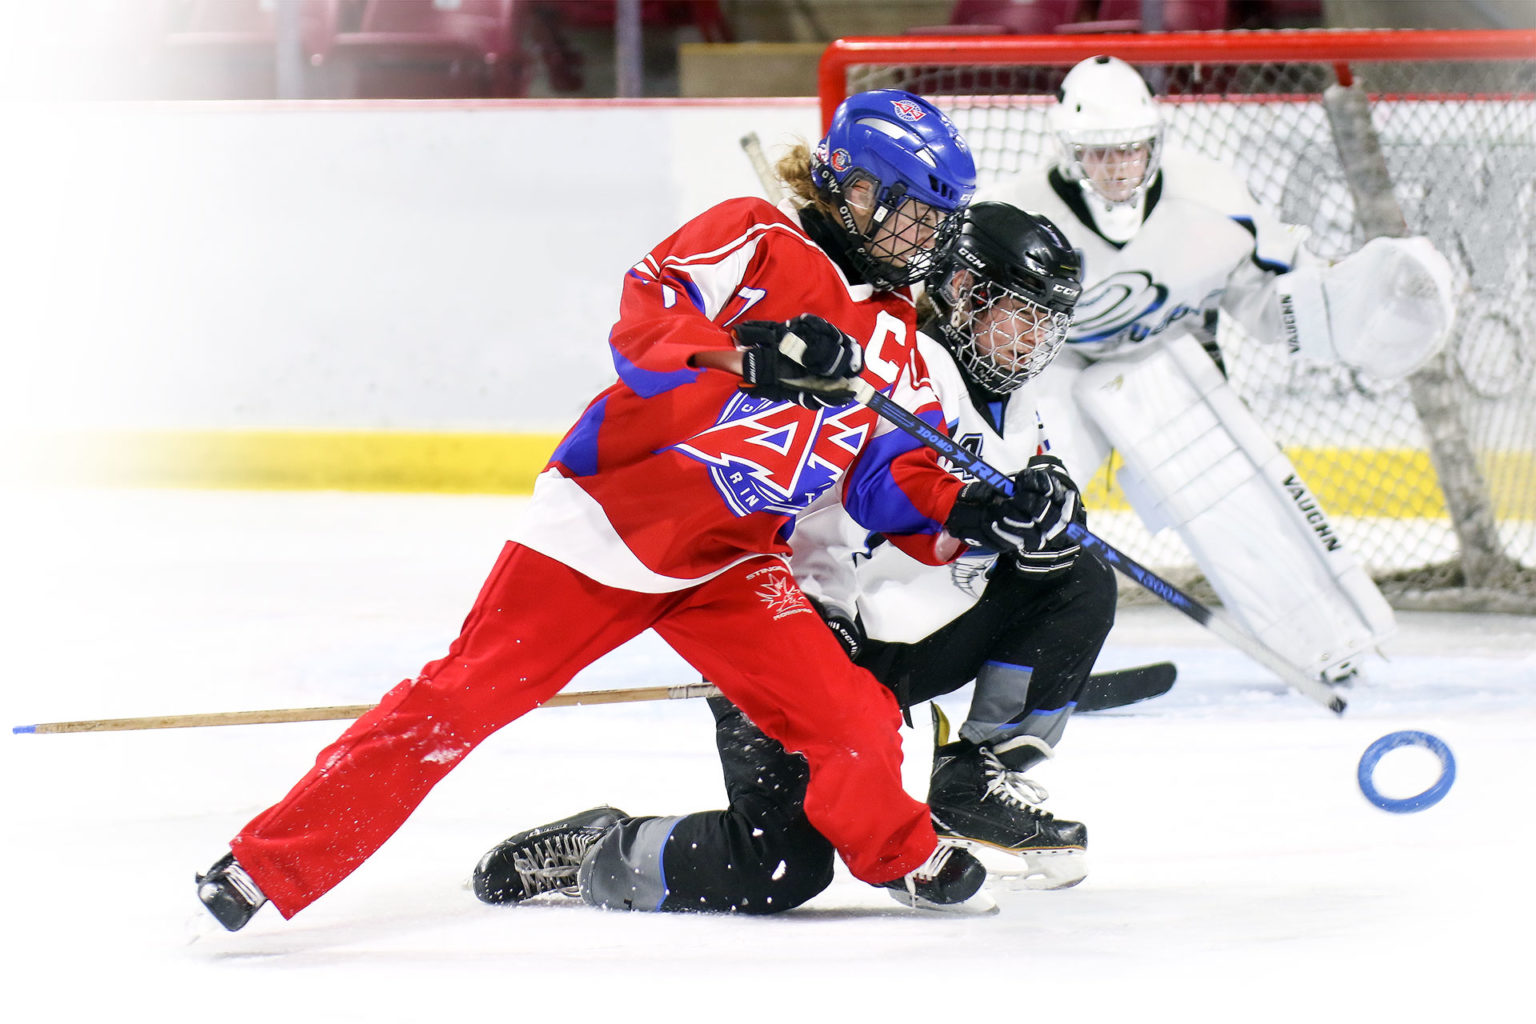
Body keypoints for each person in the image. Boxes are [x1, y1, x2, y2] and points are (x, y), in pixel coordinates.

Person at [193, 89, 1083, 930]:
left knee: (848, 715)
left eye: (939, 221)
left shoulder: (894, 329)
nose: (925, 239)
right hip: (606, 526)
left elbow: (888, 474)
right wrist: (748, 353)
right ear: (855, 189)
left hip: (732, 557)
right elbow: (644, 321)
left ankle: (903, 855)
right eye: (916, 213)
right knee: (459, 701)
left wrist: (980, 510)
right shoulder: (756, 236)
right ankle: (266, 863)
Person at [470, 202, 1113, 915]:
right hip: (801, 620)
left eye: (1046, 323)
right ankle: (603, 847)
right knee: (777, 868)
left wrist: (1041, 512)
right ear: (964, 292)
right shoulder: (890, 360)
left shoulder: (1018, 403)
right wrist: (822, 609)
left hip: (895, 642)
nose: (1033, 339)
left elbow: (997, 506)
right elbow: (842, 496)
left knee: (1073, 572)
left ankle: (978, 776)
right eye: (1019, 313)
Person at [980, 55, 1457, 687]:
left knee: (1231, 491)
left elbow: (1272, 300)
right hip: (1051, 368)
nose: (1121, 168)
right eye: (1102, 153)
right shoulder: (1016, 212)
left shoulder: (1214, 197)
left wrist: (1349, 306)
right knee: (1007, 494)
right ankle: (974, 645)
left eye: (1134, 149)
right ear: (1069, 154)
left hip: (1161, 362)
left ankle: (1325, 646)